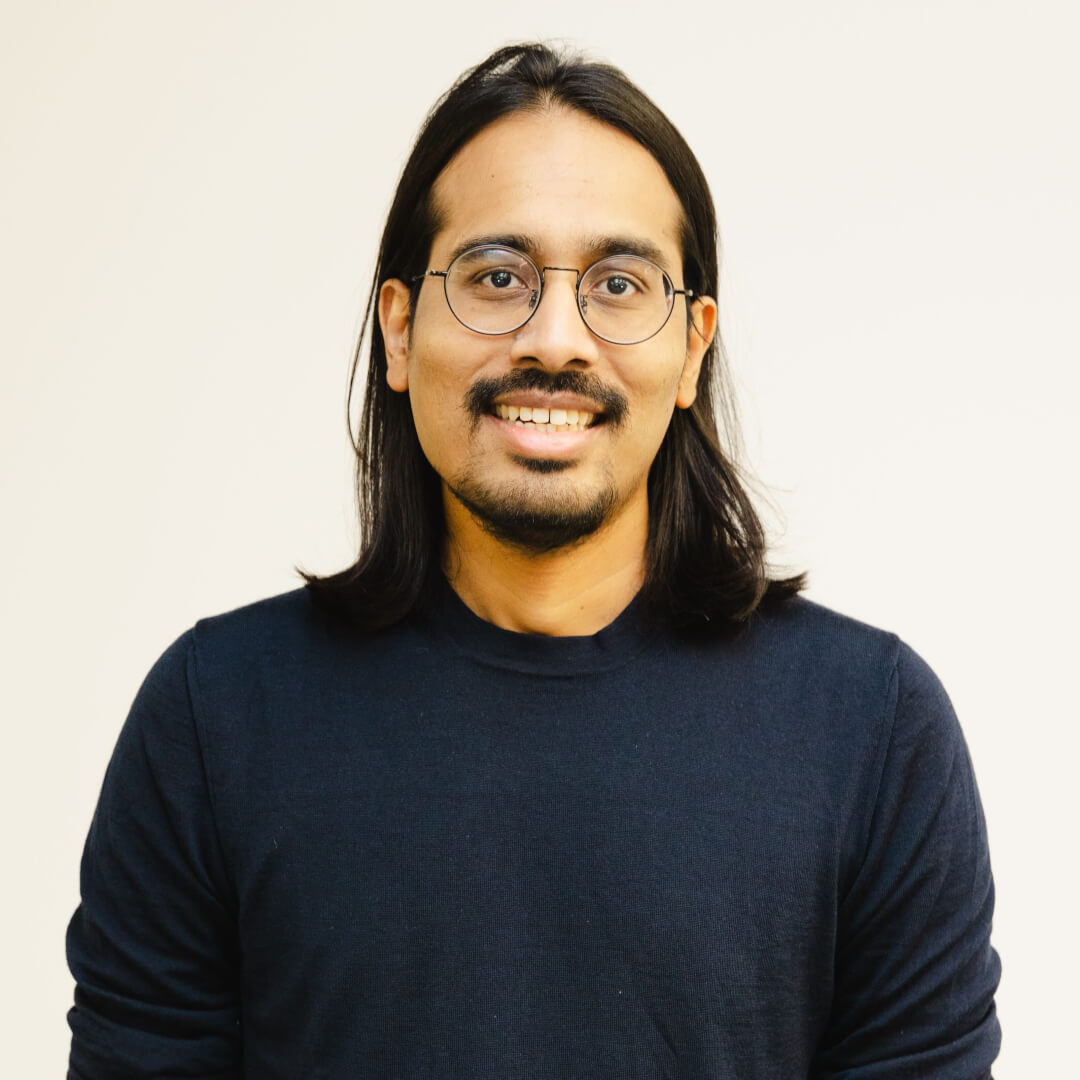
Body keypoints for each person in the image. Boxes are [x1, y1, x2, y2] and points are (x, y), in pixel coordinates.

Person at [66, 43, 1001, 1079]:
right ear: (398, 328)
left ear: (692, 349)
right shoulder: (213, 719)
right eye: (498, 277)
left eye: (617, 282)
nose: (556, 339)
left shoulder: (874, 732)